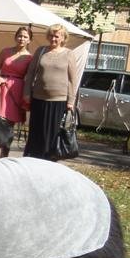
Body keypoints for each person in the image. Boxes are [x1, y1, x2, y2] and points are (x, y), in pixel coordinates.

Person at [22, 23, 77, 160]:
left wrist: (71, 101)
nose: (53, 39)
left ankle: (49, 160)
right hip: (38, 98)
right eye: (51, 36)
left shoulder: (69, 54)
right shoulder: (41, 51)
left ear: (63, 38)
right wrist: (27, 92)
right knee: (37, 132)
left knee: (53, 134)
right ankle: (34, 159)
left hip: (59, 101)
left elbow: (72, 80)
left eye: (57, 36)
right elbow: (31, 73)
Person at [0, 26, 33, 157]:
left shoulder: (30, 58)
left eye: (25, 37)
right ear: (15, 37)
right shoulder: (5, 52)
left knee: (8, 126)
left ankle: (4, 156)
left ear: (29, 40)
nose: (22, 39)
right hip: (1, 89)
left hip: (16, 90)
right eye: (20, 36)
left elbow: (31, 77)